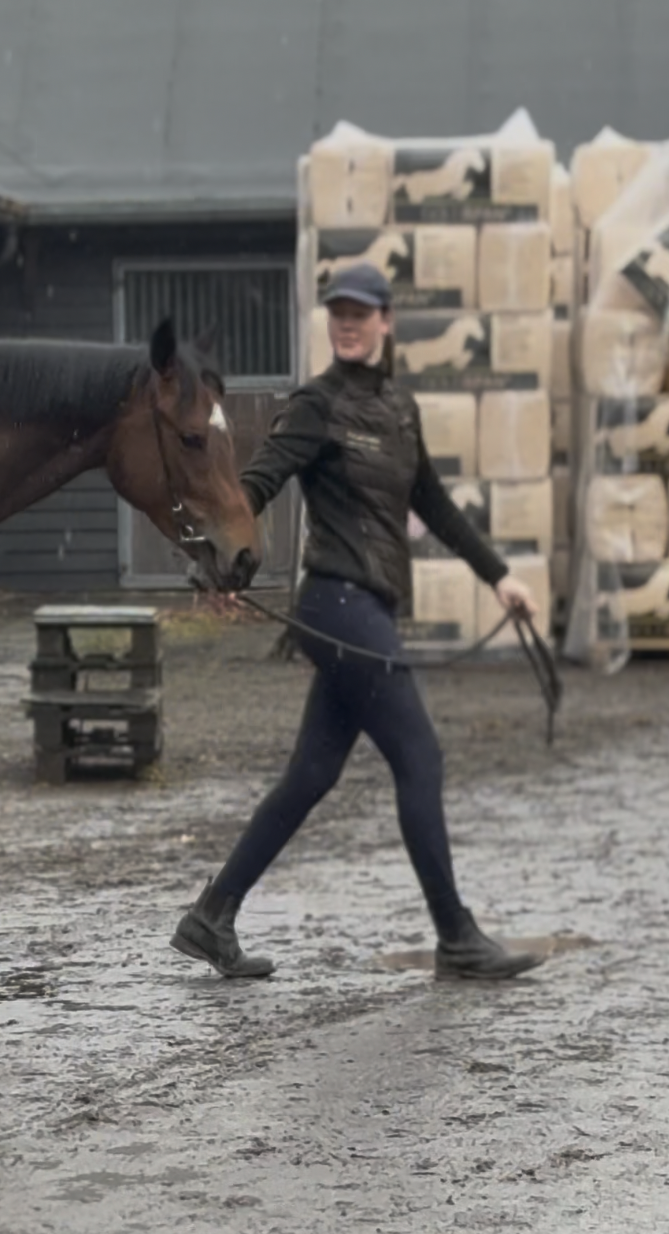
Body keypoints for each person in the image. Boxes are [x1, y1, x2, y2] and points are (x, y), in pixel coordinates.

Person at [171, 262, 544, 983]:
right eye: (337, 311)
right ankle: (457, 937)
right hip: (336, 603)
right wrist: (217, 549)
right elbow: (260, 478)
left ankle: (212, 915)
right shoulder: (316, 404)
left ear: (385, 322)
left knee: (311, 774)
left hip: (366, 607)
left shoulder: (401, 409)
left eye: (360, 311)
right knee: (421, 758)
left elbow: (433, 505)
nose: (347, 320)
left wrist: (501, 578)